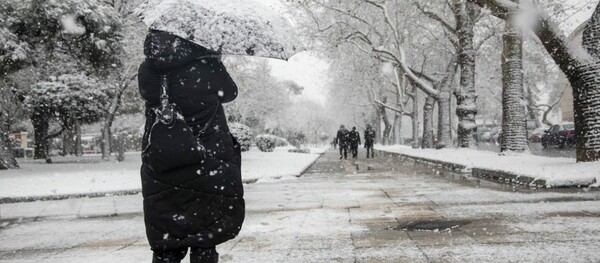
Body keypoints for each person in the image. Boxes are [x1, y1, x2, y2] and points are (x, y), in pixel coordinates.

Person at [138, 30, 245, 263]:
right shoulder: (206, 65)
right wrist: (214, 59)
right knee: (204, 237)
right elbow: (229, 93)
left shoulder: (148, 69)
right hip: (207, 157)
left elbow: (147, 93)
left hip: (164, 157)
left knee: (167, 239)